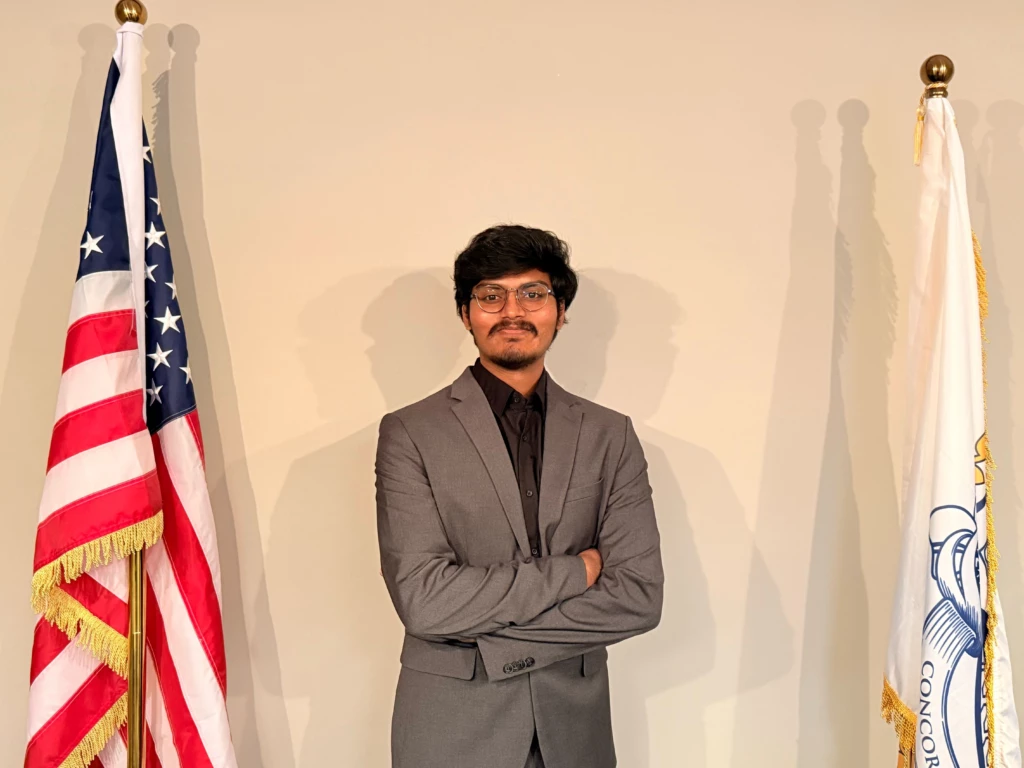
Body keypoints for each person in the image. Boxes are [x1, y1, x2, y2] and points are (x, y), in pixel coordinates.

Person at [374, 224, 665, 768]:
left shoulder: (610, 435)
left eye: (533, 293)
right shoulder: (410, 432)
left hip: (575, 731)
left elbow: (638, 597)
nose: (513, 311)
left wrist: (499, 645)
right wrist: (575, 571)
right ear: (466, 314)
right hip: (450, 730)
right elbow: (425, 602)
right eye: (491, 295)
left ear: (560, 310)